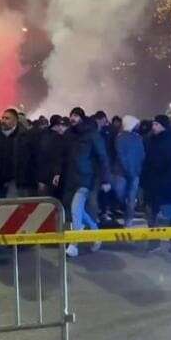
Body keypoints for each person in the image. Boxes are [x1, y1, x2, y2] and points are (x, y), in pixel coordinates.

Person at [63, 107, 111, 257]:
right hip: (71, 178)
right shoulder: (68, 134)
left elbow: (103, 157)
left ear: (82, 118)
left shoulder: (92, 134)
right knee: (79, 211)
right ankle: (96, 234)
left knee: (75, 210)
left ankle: (74, 244)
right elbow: (63, 156)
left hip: (86, 178)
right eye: (71, 115)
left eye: (76, 115)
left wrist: (105, 179)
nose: (72, 118)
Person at [142, 115, 171, 253]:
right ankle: (154, 242)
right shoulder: (150, 140)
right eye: (153, 124)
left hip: (168, 185)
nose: (153, 127)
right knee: (151, 215)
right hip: (152, 184)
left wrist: (167, 179)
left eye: (156, 124)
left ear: (163, 126)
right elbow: (147, 161)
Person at [112, 115, 145, 228]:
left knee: (130, 197)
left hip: (131, 171)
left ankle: (128, 221)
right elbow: (121, 155)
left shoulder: (137, 137)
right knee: (122, 194)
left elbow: (141, 154)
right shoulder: (120, 137)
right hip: (123, 172)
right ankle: (126, 215)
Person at [0, 108, 33, 198]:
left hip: (16, 181)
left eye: (7, 118)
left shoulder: (24, 136)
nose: (3, 120)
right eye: (2, 118)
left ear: (15, 121)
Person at [34, 115, 68, 197]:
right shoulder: (57, 139)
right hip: (54, 178)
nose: (61, 128)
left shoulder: (44, 136)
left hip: (48, 178)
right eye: (60, 125)